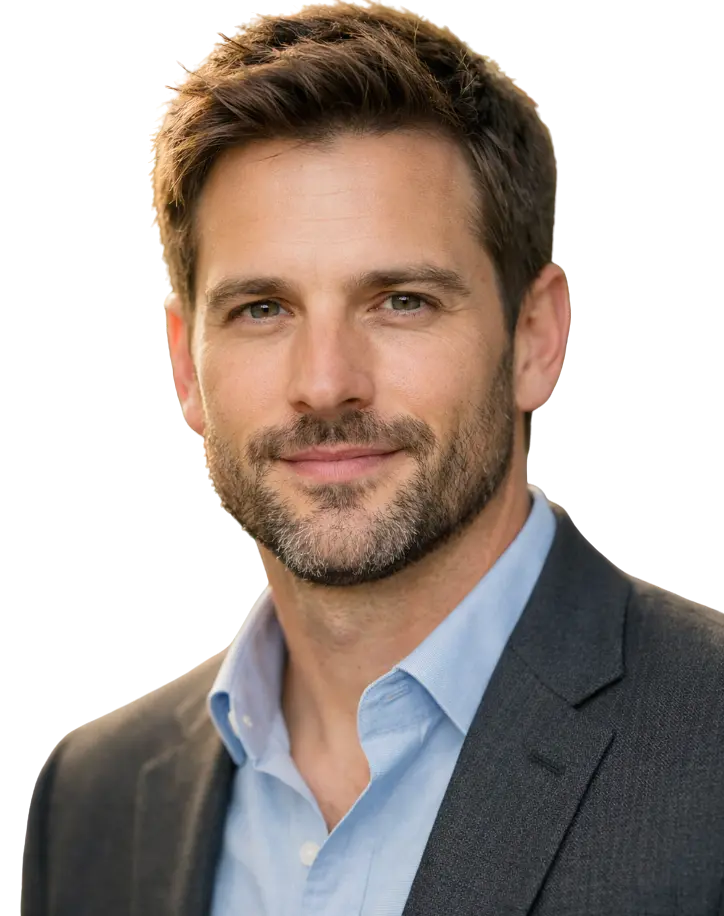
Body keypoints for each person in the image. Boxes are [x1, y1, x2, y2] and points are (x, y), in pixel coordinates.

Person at [22, 2, 723, 914]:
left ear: (536, 337)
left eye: (400, 301)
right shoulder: (93, 797)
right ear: (185, 365)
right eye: (262, 309)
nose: (325, 385)